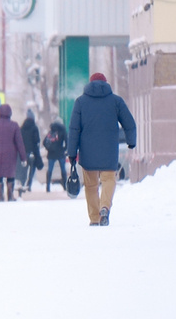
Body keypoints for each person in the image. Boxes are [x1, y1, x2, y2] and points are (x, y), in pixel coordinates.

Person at [67, 72, 137, 226]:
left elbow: (74, 129)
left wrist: (72, 153)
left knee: (91, 185)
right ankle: (105, 207)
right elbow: (130, 124)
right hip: (109, 151)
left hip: (87, 152)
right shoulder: (116, 101)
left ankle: (94, 218)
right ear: (106, 84)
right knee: (108, 180)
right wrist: (131, 142)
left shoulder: (80, 102)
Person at [20, 109, 42, 192]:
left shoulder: (22, 128)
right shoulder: (34, 128)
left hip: (24, 153)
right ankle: (29, 185)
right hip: (32, 153)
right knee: (32, 170)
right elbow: (37, 140)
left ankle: (23, 184)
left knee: (24, 170)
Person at [42, 119, 68, 192]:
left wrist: (49, 148)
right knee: (63, 169)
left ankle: (48, 186)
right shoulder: (63, 131)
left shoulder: (52, 130)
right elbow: (67, 141)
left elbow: (44, 142)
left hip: (51, 153)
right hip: (60, 153)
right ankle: (65, 186)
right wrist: (64, 149)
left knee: (50, 170)